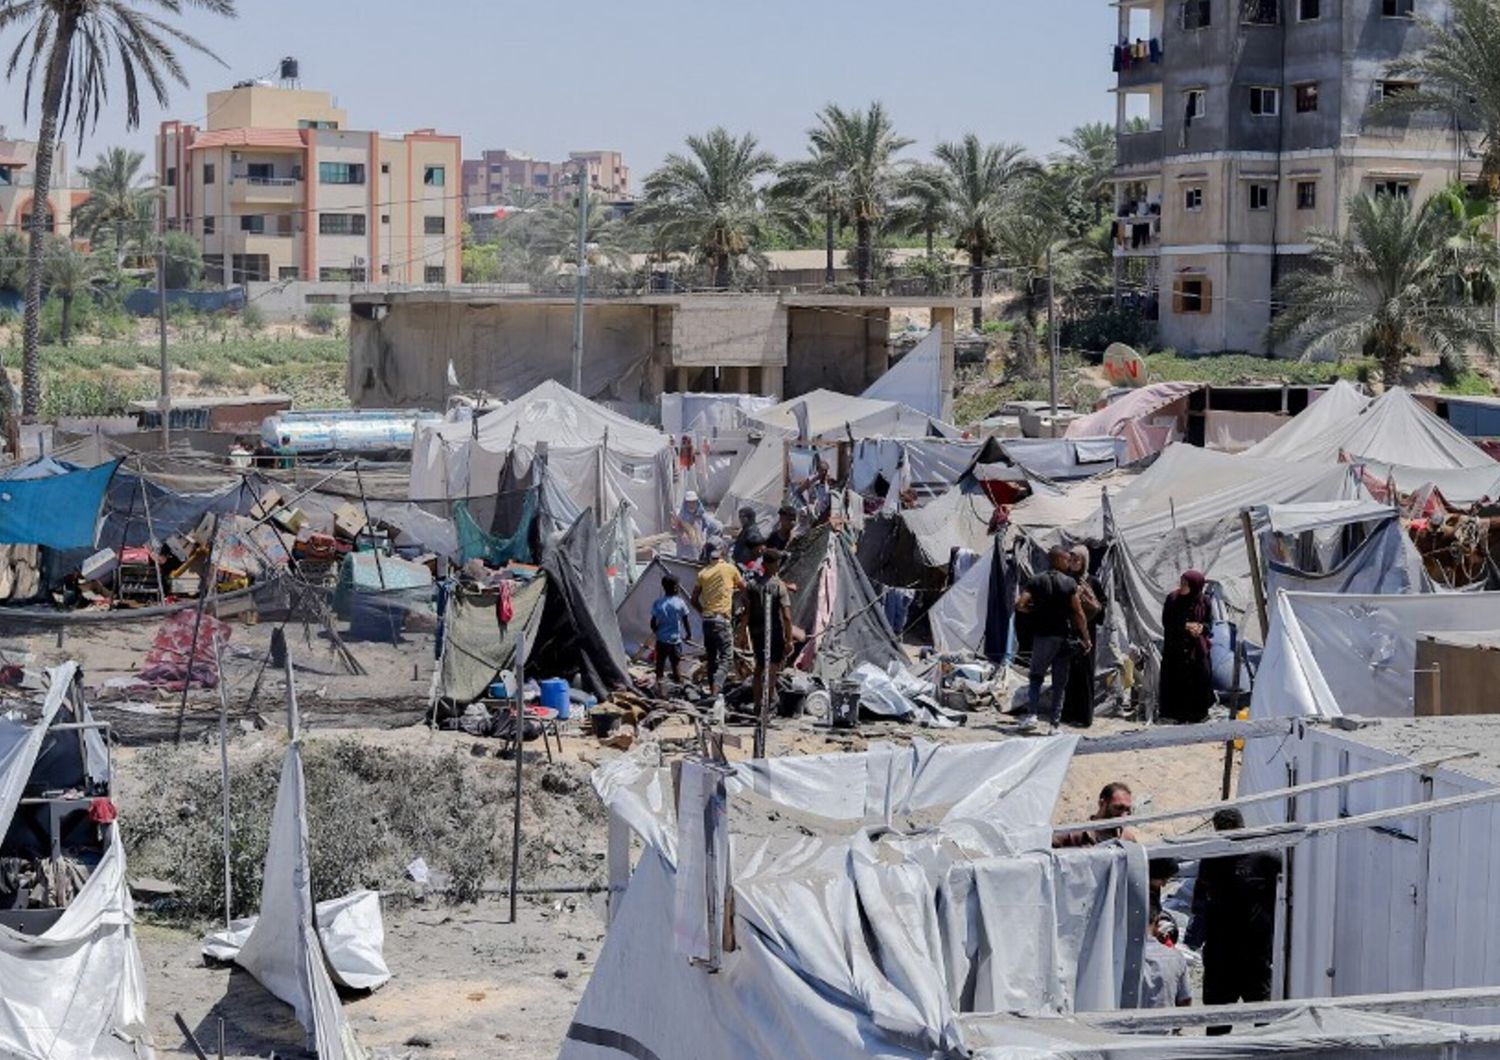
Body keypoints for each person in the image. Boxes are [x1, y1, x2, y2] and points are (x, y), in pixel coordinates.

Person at [1191, 808, 1280, 1035]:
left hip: (1251, 954)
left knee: (1260, 1023)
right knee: (1222, 1024)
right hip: (1228, 954)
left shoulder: (1265, 857)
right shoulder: (1212, 859)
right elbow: (1200, 901)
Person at [1015, 545, 1091, 733]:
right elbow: (1079, 613)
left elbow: (1020, 605)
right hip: (1063, 638)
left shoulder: (1036, 580)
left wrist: (1035, 611)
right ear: (1058, 559)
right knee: (1059, 683)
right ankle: (1054, 725)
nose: (1068, 562)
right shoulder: (1068, 583)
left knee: (1036, 677)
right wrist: (1086, 637)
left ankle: (1032, 715)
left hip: (1042, 637)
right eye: (1066, 559)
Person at [1159, 569, 1214, 724]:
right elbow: (1167, 622)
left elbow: (1209, 623)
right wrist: (1185, 626)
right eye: (1182, 582)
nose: (1182, 586)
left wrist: (1201, 628)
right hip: (1176, 648)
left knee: (1199, 679)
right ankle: (1176, 715)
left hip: (1196, 649)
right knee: (1176, 680)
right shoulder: (1173, 599)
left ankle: (1198, 714)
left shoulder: (1204, 601)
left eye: (1186, 584)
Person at [744, 549, 793, 718]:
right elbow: (786, 616)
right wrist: (789, 640)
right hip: (774, 632)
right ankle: (767, 706)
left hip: (756, 631)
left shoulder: (751, 585)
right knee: (772, 670)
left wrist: (742, 633)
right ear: (773, 565)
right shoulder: (779, 586)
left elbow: (746, 613)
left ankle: (758, 704)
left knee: (758, 668)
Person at [691, 543, 744, 696]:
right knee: (726, 658)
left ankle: (712, 691)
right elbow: (744, 589)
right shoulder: (730, 569)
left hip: (707, 621)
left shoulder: (703, 573)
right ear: (723, 554)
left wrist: (704, 612)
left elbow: (694, 599)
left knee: (712, 657)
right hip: (722, 620)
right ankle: (716, 691)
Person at [1061, 545, 1105, 728]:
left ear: (1084, 561)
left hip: (1088, 631)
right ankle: (1068, 713)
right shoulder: (1065, 580)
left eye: (1077, 560)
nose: (1073, 563)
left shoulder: (1093, 582)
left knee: (1085, 673)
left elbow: (1103, 607)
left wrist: (1088, 601)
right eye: (1071, 560)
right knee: (1069, 673)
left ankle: (1084, 716)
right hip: (1069, 631)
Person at [1053, 781, 1141, 847]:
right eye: (1118, 808)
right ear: (1102, 803)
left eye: (1127, 810)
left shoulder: (1124, 836)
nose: (1124, 815)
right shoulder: (1080, 833)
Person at [1141, 914, 1192, 1010]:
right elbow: (1185, 1000)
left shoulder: (1113, 955)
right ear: (1157, 922)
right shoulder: (1176, 956)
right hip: (1166, 1022)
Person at [650, 574, 692, 688]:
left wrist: (657, 631)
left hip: (661, 640)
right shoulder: (680, 603)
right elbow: (685, 620)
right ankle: (679, 688)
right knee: (676, 664)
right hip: (675, 640)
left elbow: (653, 623)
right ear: (675, 588)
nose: (679, 588)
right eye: (678, 586)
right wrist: (688, 634)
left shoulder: (658, 603)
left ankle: (660, 688)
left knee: (660, 664)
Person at [673, 490, 722, 561]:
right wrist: (682, 533)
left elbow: (715, 526)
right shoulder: (681, 517)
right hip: (684, 550)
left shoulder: (701, 515)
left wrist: (710, 538)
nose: (691, 505)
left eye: (693, 502)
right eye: (689, 502)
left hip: (698, 548)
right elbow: (676, 529)